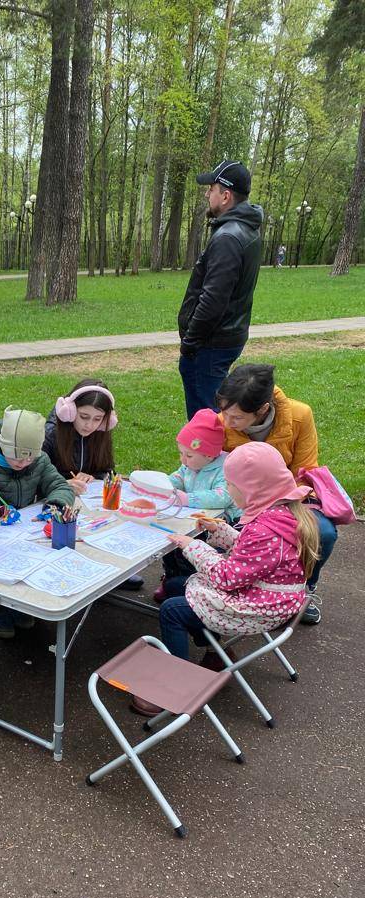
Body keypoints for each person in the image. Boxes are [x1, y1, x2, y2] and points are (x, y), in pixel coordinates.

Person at [133, 443, 319, 717]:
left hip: (259, 607)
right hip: (274, 598)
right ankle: (216, 652)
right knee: (175, 586)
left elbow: (227, 578)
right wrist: (220, 530)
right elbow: (254, 557)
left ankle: (173, 688)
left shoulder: (264, 530)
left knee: (172, 610)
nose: (228, 491)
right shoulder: (281, 515)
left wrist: (193, 546)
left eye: (231, 485)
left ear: (252, 489)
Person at [216, 363, 335, 624]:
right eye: (224, 412)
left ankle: (303, 589)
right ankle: (241, 584)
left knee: (323, 533)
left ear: (262, 409)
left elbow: (305, 470)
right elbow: (213, 467)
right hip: (236, 499)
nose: (226, 421)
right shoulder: (222, 422)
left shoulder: (300, 415)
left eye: (236, 417)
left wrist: (268, 514)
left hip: (289, 499)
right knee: (216, 528)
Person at [0, 406, 74, 638]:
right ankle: (1, 613)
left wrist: (55, 504)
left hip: (22, 531)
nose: (23, 462)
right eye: (17, 456)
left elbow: (59, 485)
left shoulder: (40, 461)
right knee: (1, 573)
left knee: (28, 565)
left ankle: (20, 609)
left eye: (30, 457)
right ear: (4, 446)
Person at [178, 159, 263, 419]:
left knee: (207, 420)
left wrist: (190, 343)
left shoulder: (228, 237)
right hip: (224, 338)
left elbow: (213, 300)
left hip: (211, 344)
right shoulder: (244, 229)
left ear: (225, 196)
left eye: (211, 189)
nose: (207, 194)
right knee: (215, 414)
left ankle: (209, 448)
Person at [43, 378, 143, 591]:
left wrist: (94, 476)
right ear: (69, 411)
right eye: (84, 416)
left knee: (111, 518)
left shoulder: (101, 433)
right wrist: (63, 482)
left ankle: (110, 568)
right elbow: (37, 475)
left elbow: (108, 470)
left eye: (98, 419)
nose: (89, 425)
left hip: (88, 503)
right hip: (58, 505)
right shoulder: (51, 434)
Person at [152, 408, 240, 604]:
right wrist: (163, 486)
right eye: (181, 453)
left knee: (188, 554)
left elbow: (223, 496)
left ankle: (187, 583)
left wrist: (188, 498)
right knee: (170, 544)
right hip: (190, 518)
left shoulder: (224, 468)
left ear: (209, 455)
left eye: (188, 455)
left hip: (216, 525)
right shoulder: (190, 465)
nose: (183, 460)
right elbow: (178, 476)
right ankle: (170, 578)